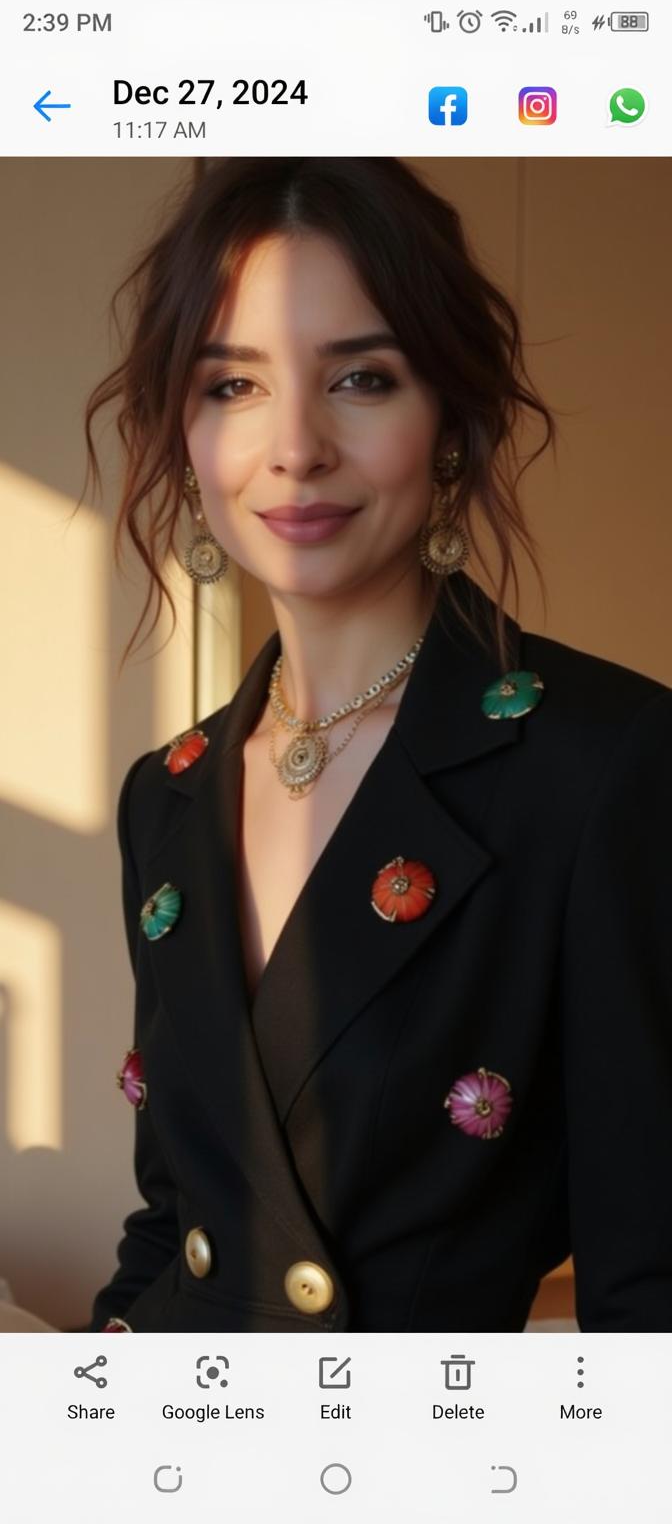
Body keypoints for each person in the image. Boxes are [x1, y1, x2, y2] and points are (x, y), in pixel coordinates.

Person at [84, 158, 672, 1333]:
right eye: (233, 386)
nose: (294, 447)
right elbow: (179, 1220)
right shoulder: (166, 794)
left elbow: (649, 1279)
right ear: (184, 436)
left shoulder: (604, 762)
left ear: (450, 418)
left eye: (361, 377)